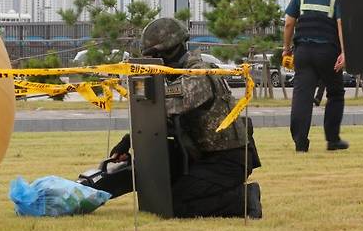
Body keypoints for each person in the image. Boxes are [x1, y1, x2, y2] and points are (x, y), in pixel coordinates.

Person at [109, 18, 263, 219]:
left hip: (228, 160)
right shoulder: (183, 74)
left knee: (175, 204)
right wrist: (128, 143)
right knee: (160, 194)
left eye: (156, 56)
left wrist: (130, 139)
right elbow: (167, 121)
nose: (154, 62)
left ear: (169, 51)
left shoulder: (196, 74)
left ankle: (242, 198)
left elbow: (163, 111)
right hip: (203, 156)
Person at [282, 0, 349, 152]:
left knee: (302, 96)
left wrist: (286, 49)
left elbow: (288, 23)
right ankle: (332, 139)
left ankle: (300, 142)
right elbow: (341, 23)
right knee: (336, 93)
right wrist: (345, 52)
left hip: (302, 51)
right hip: (327, 52)